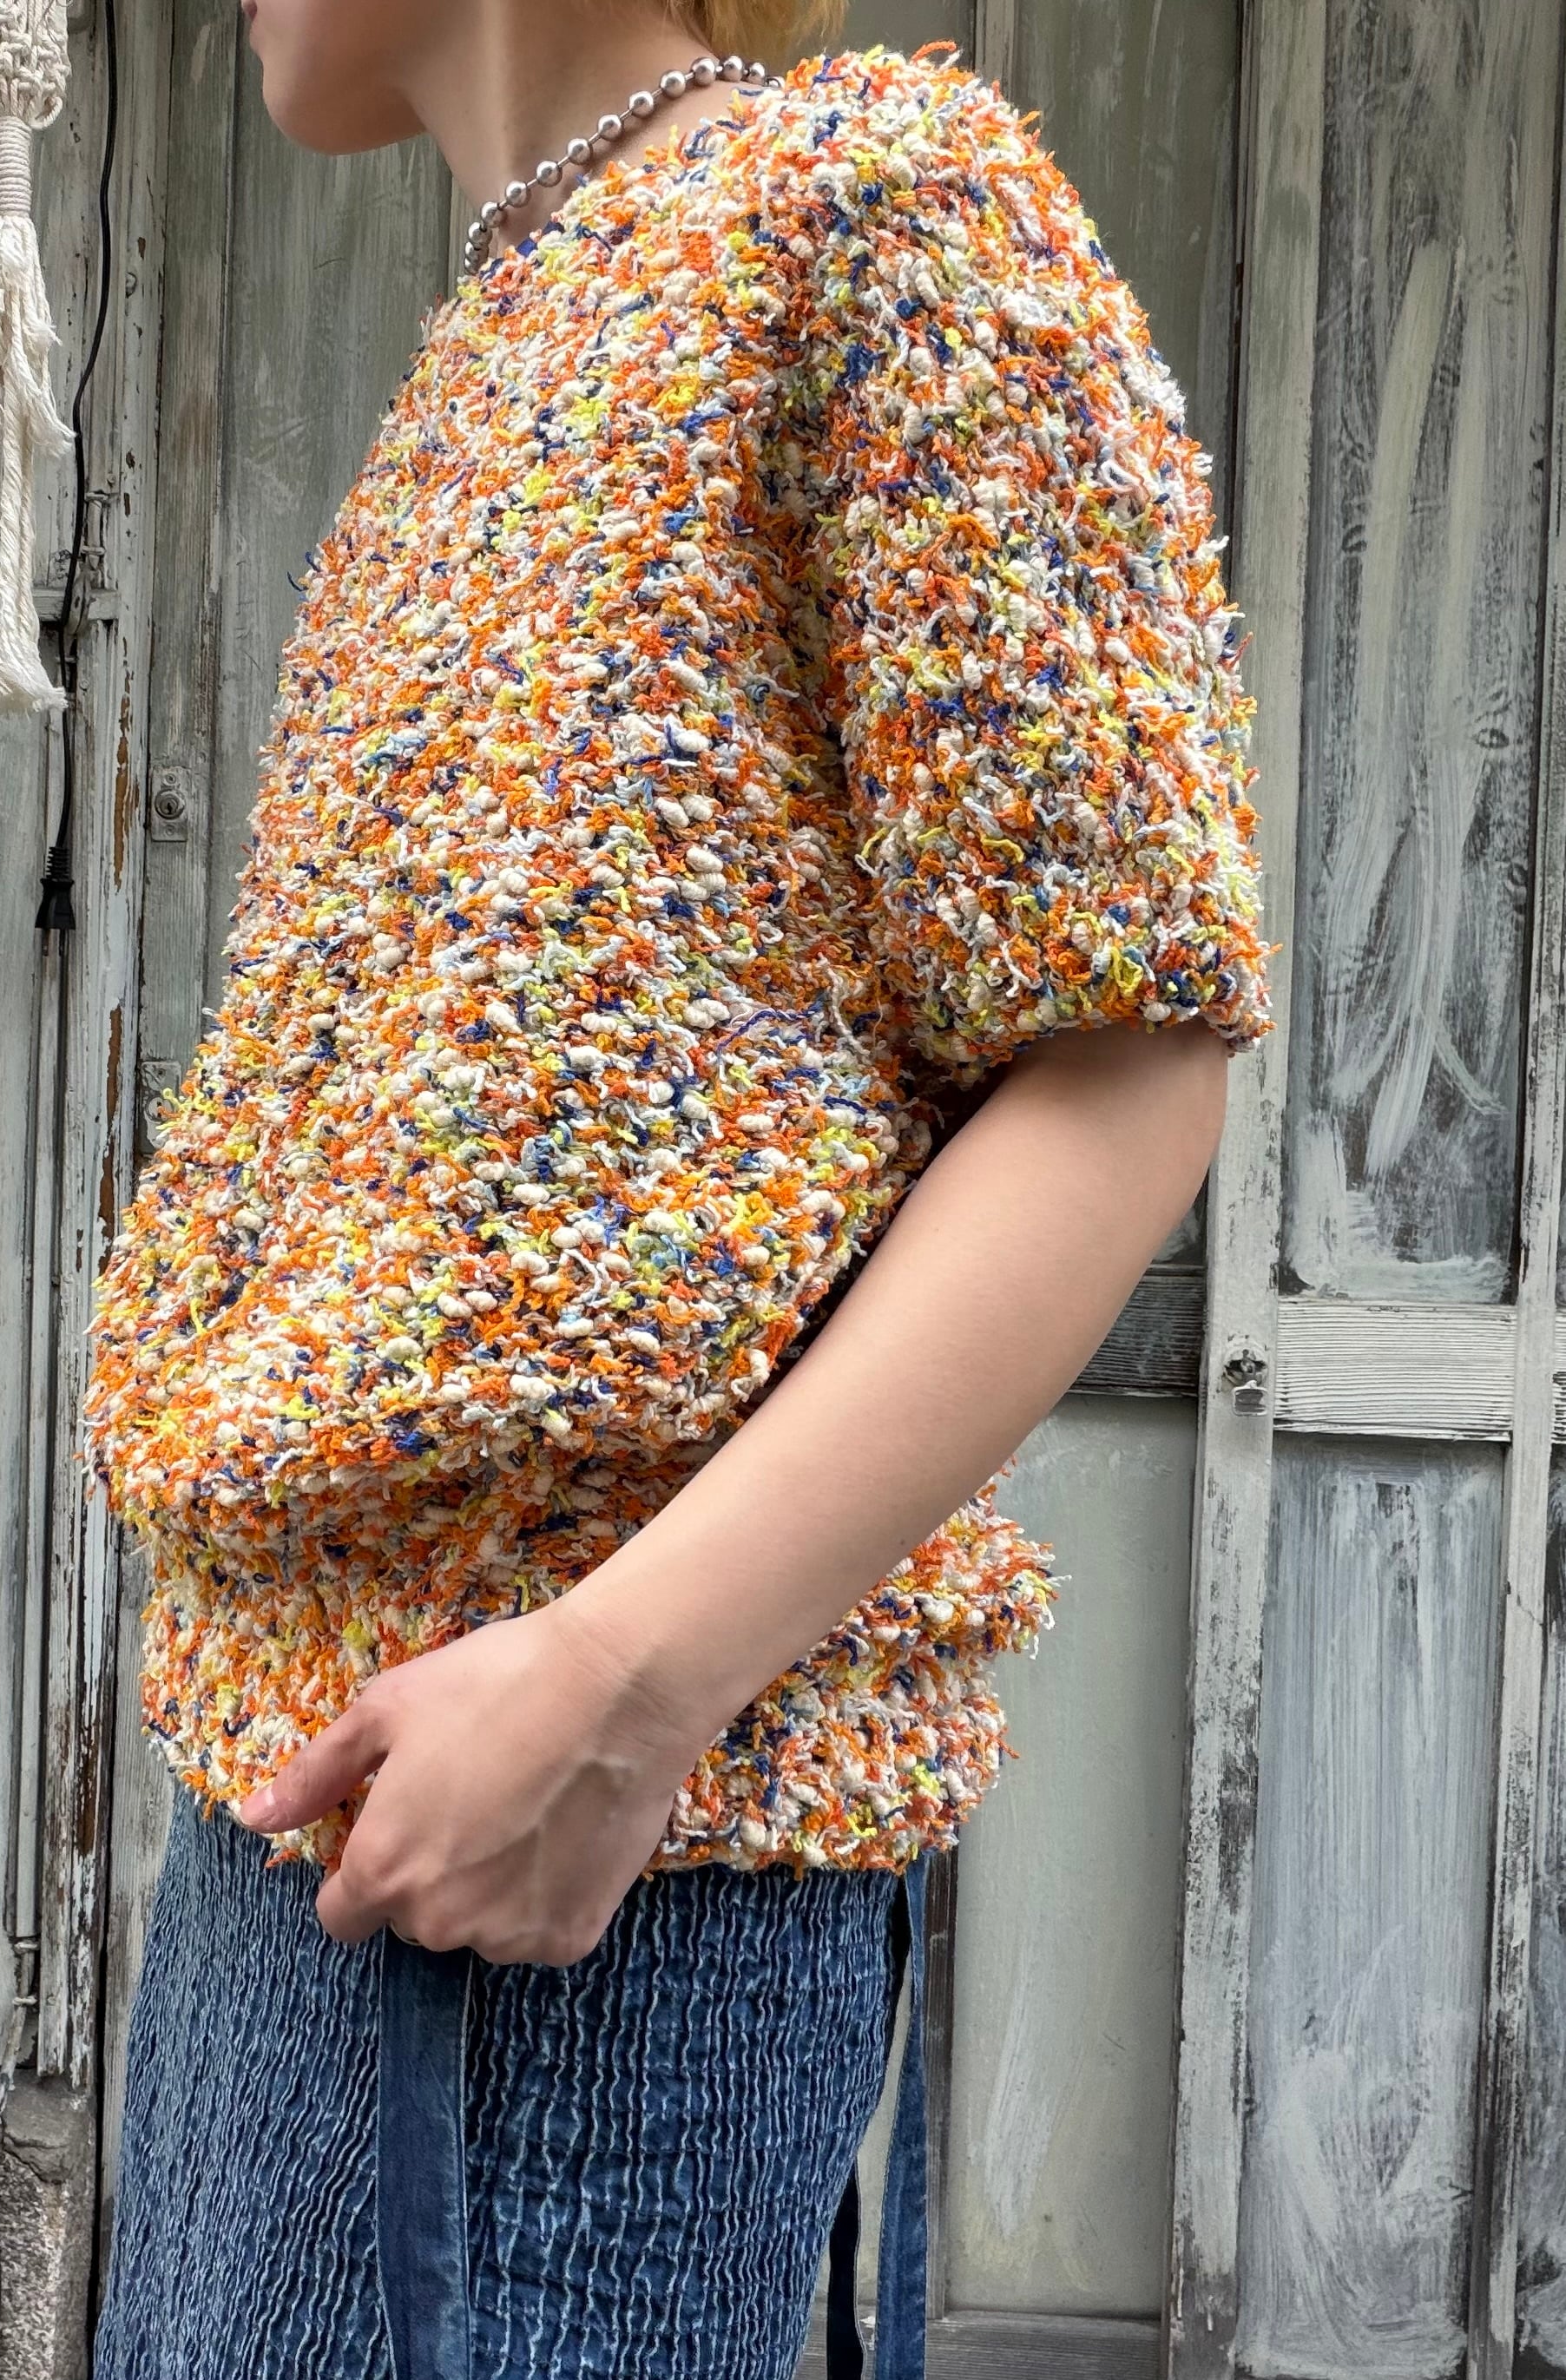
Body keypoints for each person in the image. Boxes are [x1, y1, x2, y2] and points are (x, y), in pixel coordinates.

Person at [85, 1, 1272, 2374]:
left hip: (604, 1898)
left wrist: (622, 1688)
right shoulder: (508, 327)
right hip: (304, 1837)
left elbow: (1129, 1052)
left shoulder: (872, 204)